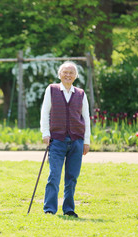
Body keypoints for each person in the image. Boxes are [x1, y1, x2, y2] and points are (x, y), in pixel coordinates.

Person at [40, 61, 91, 218]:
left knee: (72, 177)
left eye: (71, 73)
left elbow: (86, 118)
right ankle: (50, 208)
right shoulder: (52, 90)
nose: (68, 75)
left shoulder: (81, 94)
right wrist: (45, 133)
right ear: (59, 74)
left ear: (75, 76)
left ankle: (68, 209)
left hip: (76, 140)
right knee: (54, 175)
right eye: (65, 72)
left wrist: (86, 141)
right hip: (57, 139)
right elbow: (44, 112)